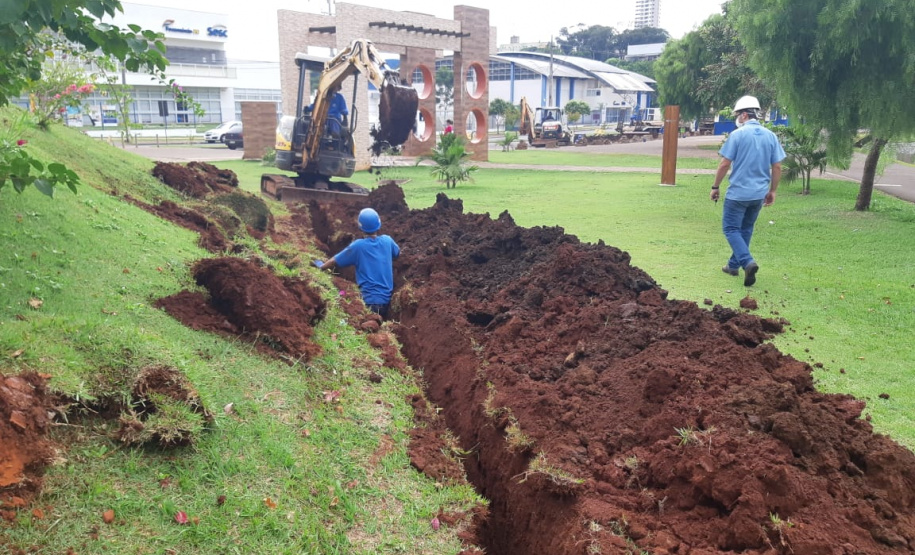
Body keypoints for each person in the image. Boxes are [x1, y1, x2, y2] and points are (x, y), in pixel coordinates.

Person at [710, 95, 786, 287]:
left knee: (731, 228)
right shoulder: (771, 136)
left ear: (744, 115)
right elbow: (777, 167)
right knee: (746, 229)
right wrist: (773, 191)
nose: (737, 118)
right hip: (758, 194)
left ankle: (746, 262)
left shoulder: (737, 135)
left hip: (738, 193)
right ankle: (732, 266)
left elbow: (725, 163)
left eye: (738, 114)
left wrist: (715, 186)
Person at [314, 208, 400, 319]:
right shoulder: (388, 241)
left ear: (361, 227)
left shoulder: (358, 246)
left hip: (368, 302)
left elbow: (334, 261)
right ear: (379, 223)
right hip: (386, 302)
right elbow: (397, 254)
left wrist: (321, 266)